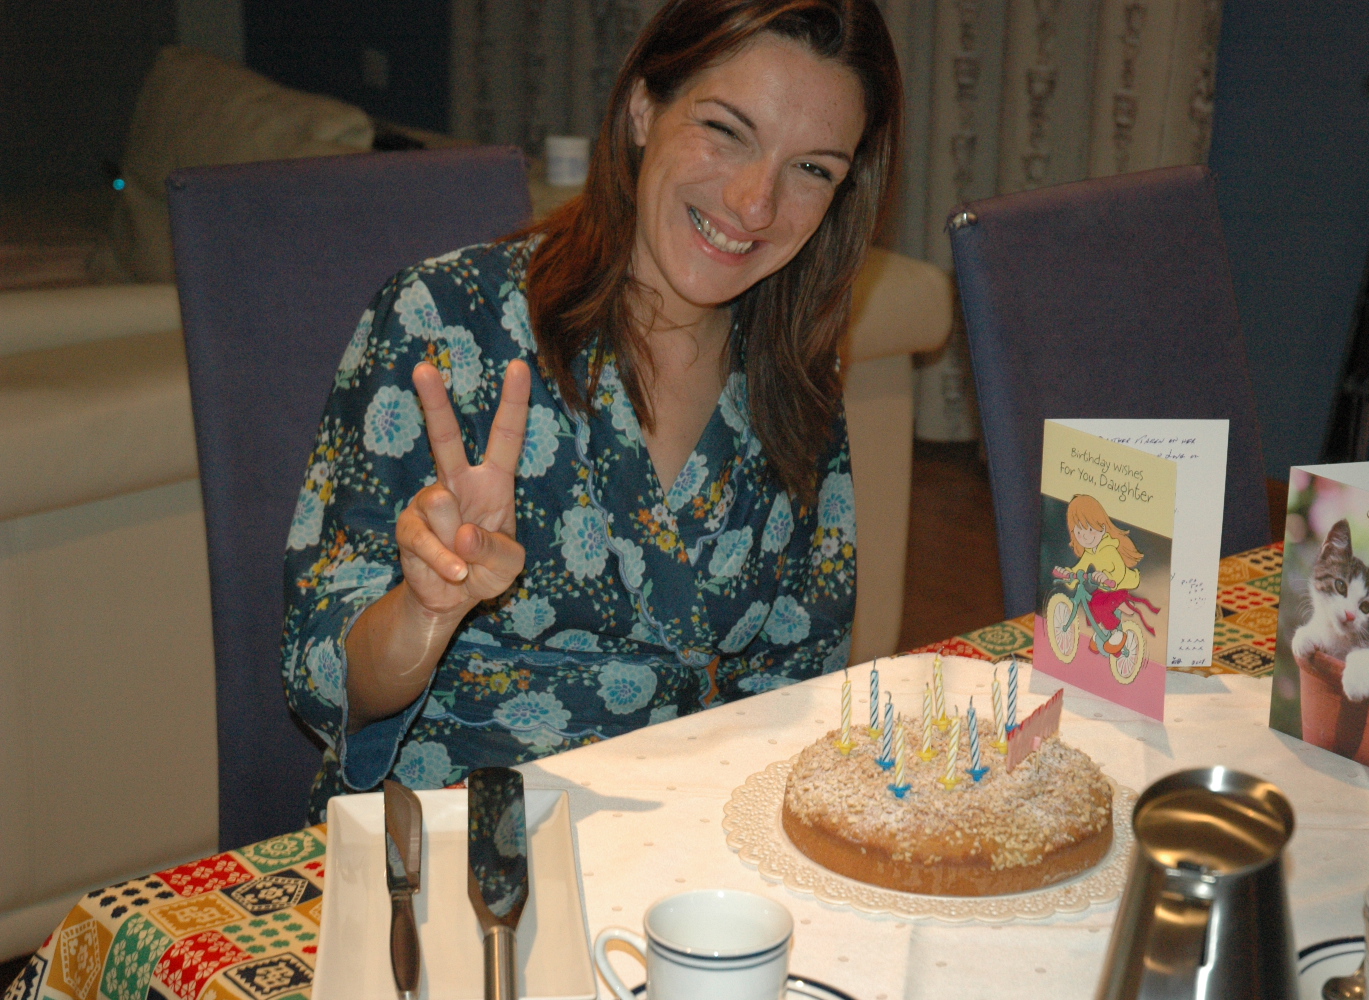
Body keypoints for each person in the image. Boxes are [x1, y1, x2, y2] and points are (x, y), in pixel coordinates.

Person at [282, 0, 903, 819]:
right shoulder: (447, 323)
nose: (756, 203)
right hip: (456, 843)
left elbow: (802, 678)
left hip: (691, 844)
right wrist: (426, 611)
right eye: (726, 131)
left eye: (813, 169)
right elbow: (320, 676)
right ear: (644, 107)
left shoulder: (791, 366)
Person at [1051, 494, 1158, 655]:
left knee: (1103, 605)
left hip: (1118, 586)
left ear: (1102, 527)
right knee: (1093, 603)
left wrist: (1107, 577)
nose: (1085, 536)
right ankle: (1104, 630)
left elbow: (1119, 571)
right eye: (1079, 532)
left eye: (1090, 530)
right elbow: (1080, 567)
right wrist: (1069, 574)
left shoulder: (1109, 549)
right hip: (1106, 588)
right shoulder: (1089, 552)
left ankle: (1117, 633)